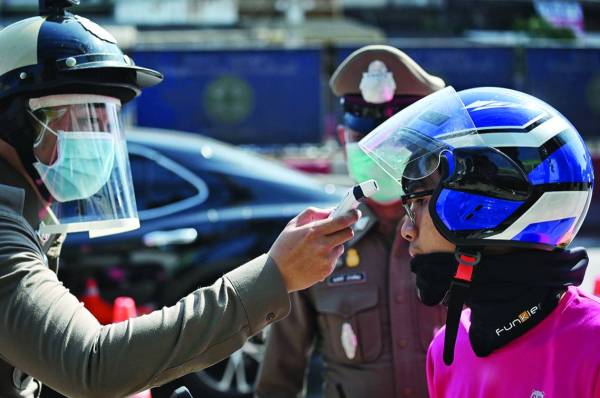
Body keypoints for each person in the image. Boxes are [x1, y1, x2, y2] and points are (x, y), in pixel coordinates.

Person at [0, 2, 360, 397]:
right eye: (87, 119)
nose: (101, 140)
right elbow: (91, 364)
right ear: (16, 121)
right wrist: (274, 275)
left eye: (108, 122)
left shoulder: (24, 215)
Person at [359, 85, 600, 397]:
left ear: (488, 206)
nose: (406, 229)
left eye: (419, 202)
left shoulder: (592, 346)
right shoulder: (447, 350)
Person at [255, 45, 447, 398]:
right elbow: (279, 378)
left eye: (390, 140)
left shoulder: (460, 229)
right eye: (363, 140)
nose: (376, 152)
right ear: (344, 139)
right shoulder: (317, 242)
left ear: (423, 144)